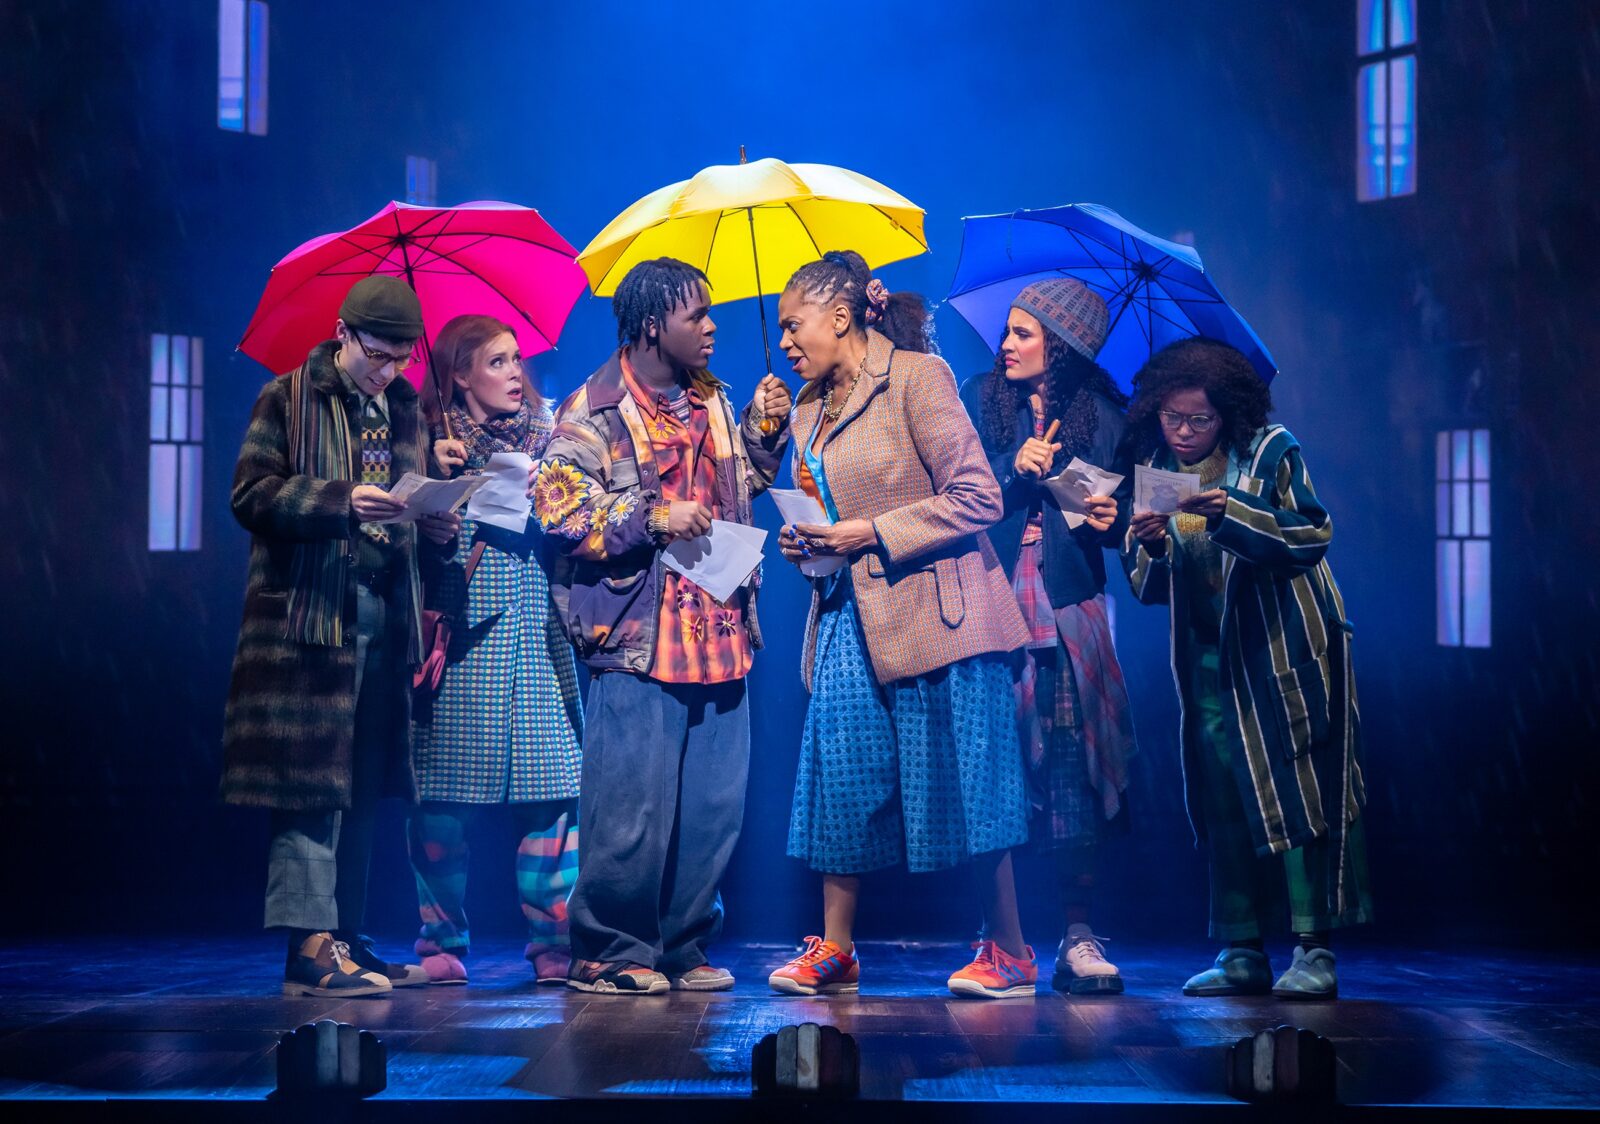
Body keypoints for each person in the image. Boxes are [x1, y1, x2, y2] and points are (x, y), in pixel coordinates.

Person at [765, 250, 1035, 1000]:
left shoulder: (917, 377)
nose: (785, 342)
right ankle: (838, 950)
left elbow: (980, 496)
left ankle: (1009, 951)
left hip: (938, 612)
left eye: (795, 325)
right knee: (839, 776)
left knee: (969, 780)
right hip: (849, 613)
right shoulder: (805, 410)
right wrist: (809, 543)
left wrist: (869, 531)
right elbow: (825, 515)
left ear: (841, 316)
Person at [531, 258, 791, 994]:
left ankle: (682, 943)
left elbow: (740, 486)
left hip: (720, 627)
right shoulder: (594, 409)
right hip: (638, 635)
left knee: (712, 808)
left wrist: (764, 432)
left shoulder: (711, 400)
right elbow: (556, 511)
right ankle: (610, 951)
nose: (712, 327)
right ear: (652, 324)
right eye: (696, 315)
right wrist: (650, 515)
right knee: (629, 809)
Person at [221, 276, 460, 997]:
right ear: (342, 333)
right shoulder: (289, 398)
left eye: (399, 358)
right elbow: (250, 494)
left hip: (383, 613)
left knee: (359, 784)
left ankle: (347, 937)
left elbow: (410, 506)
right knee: (309, 786)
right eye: (377, 356)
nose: (387, 371)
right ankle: (308, 945)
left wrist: (434, 520)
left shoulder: (406, 407)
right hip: (310, 620)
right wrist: (337, 501)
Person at [1121, 337, 1371, 1000]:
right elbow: (1149, 586)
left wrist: (1231, 512)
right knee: (1225, 799)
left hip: (1281, 648)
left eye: (1197, 420)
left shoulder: (1267, 451)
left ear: (1226, 415)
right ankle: (1241, 951)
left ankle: (1313, 948)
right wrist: (1147, 545)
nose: (1181, 431)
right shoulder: (1160, 467)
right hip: (1208, 660)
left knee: (1295, 796)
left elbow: (1310, 534)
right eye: (1171, 418)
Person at [960, 278, 1139, 995]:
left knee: (1070, 770)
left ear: (1060, 346)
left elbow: (1127, 521)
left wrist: (1114, 523)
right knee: (993, 768)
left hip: (1068, 606)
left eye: (1024, 333)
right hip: (990, 598)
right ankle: (999, 936)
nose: (1006, 344)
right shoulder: (979, 401)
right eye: (1007, 330)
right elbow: (952, 497)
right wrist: (1013, 468)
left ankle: (1076, 933)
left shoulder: (1104, 418)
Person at [405, 314, 584, 986]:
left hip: (535, 624)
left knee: (553, 794)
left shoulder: (552, 437)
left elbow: (578, 519)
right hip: (463, 624)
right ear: (458, 375)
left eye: (516, 360)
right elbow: (395, 534)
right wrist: (434, 489)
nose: (514, 373)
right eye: (496, 362)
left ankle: (553, 944)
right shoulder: (428, 439)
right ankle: (440, 942)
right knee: (441, 802)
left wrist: (550, 493)